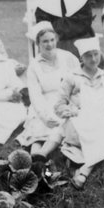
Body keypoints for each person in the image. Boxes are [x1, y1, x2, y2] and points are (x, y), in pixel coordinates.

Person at [32, 37, 104, 189]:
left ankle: (85, 168)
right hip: (79, 124)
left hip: (102, 123)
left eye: (96, 54)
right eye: (88, 56)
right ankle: (84, 171)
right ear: (81, 58)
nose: (93, 59)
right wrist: (69, 110)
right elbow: (58, 106)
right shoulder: (72, 77)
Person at [16, 22, 78, 152]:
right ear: (38, 44)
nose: (49, 44)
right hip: (44, 103)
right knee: (40, 128)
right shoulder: (34, 66)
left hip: (66, 101)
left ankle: (42, 156)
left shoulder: (68, 57)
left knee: (61, 125)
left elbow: (78, 81)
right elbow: (35, 95)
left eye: (52, 40)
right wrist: (44, 117)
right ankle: (33, 160)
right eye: (44, 41)